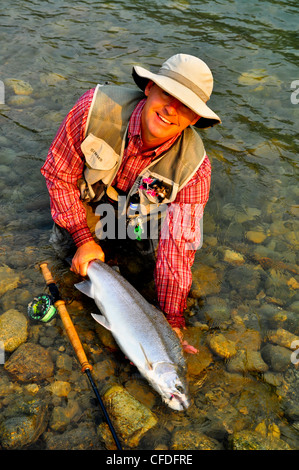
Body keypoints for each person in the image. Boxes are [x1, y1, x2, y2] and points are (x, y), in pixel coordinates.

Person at [41, 53, 221, 353]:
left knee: (154, 267)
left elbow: (177, 248)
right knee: (66, 253)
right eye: (168, 93)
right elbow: (58, 174)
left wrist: (172, 319)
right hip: (90, 206)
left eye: (186, 107)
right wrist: (83, 238)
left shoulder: (195, 170)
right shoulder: (93, 109)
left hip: (142, 220)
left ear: (194, 119)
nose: (171, 109)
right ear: (149, 88)